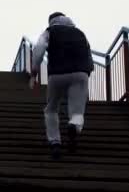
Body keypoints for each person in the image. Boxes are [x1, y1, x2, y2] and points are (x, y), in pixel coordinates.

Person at [30, 12, 94, 160]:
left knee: (51, 109)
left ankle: (55, 142)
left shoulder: (49, 31)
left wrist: (34, 71)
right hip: (80, 73)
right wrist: (87, 72)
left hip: (56, 74)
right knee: (77, 112)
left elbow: (39, 48)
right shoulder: (80, 33)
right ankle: (73, 126)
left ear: (51, 21)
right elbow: (89, 54)